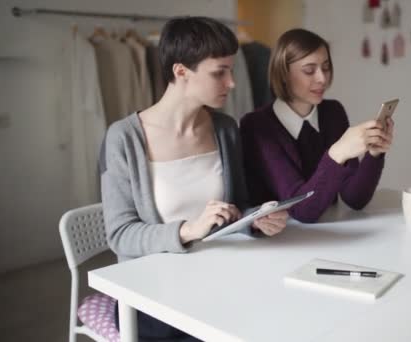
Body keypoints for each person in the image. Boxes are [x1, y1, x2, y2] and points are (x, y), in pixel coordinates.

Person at [99, 16, 288, 341]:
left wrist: (255, 219)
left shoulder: (225, 128)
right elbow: (120, 235)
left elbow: (237, 206)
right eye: (220, 72)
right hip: (151, 295)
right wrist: (188, 230)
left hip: (216, 278)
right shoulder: (123, 138)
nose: (232, 83)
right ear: (181, 71)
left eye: (231, 70)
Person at [240, 28, 394, 223]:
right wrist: (338, 153)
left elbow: (355, 199)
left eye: (326, 67)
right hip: (279, 242)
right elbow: (302, 211)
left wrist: (374, 154)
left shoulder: (333, 112)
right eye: (309, 70)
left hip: (325, 236)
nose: (322, 78)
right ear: (284, 73)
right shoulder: (256, 126)